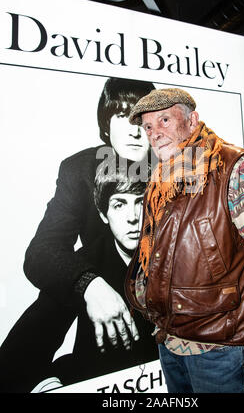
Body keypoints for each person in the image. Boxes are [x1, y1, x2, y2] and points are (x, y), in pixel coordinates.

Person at [124, 87, 244, 394]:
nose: (154, 132)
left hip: (218, 346)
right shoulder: (159, 178)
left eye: (164, 120)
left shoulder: (234, 167)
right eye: (148, 126)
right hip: (169, 336)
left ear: (191, 121)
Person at [0, 77, 156, 393]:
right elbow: (42, 253)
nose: (136, 129)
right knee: (68, 279)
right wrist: (90, 286)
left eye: (144, 118)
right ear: (106, 123)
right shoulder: (80, 169)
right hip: (105, 284)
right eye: (125, 116)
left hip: (164, 286)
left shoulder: (176, 168)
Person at [40, 158, 157, 388]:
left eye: (141, 203)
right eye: (119, 205)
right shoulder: (83, 263)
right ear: (104, 215)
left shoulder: (176, 253)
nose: (132, 217)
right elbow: (25, 345)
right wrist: (49, 384)